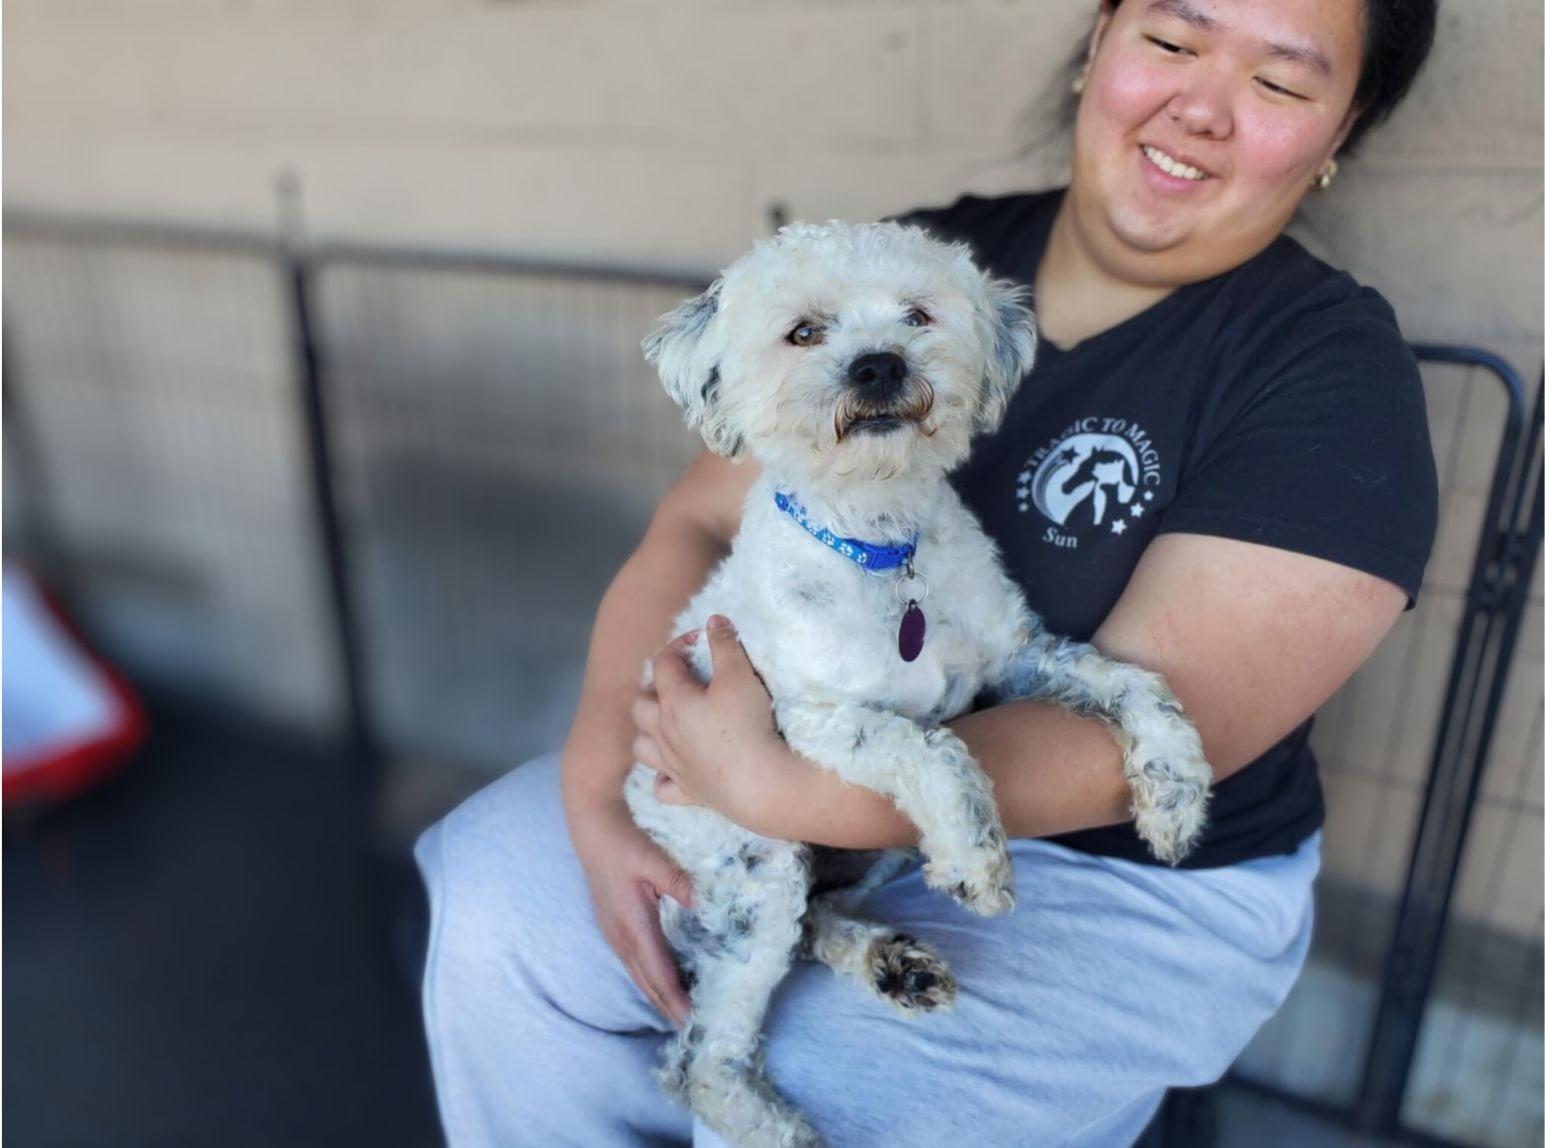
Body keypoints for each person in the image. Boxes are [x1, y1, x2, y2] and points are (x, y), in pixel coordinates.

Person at [414, 0, 1439, 1143]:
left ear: (1339, 133)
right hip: (790, 769)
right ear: (1099, 40)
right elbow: (700, 523)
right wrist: (602, 780)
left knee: (830, 1075)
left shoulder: (1329, 371)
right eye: (1173, 40)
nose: (1199, 108)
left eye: (1282, 82)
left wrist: (782, 792)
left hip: (1117, 867)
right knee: (502, 888)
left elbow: (1146, 738)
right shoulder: (920, 260)